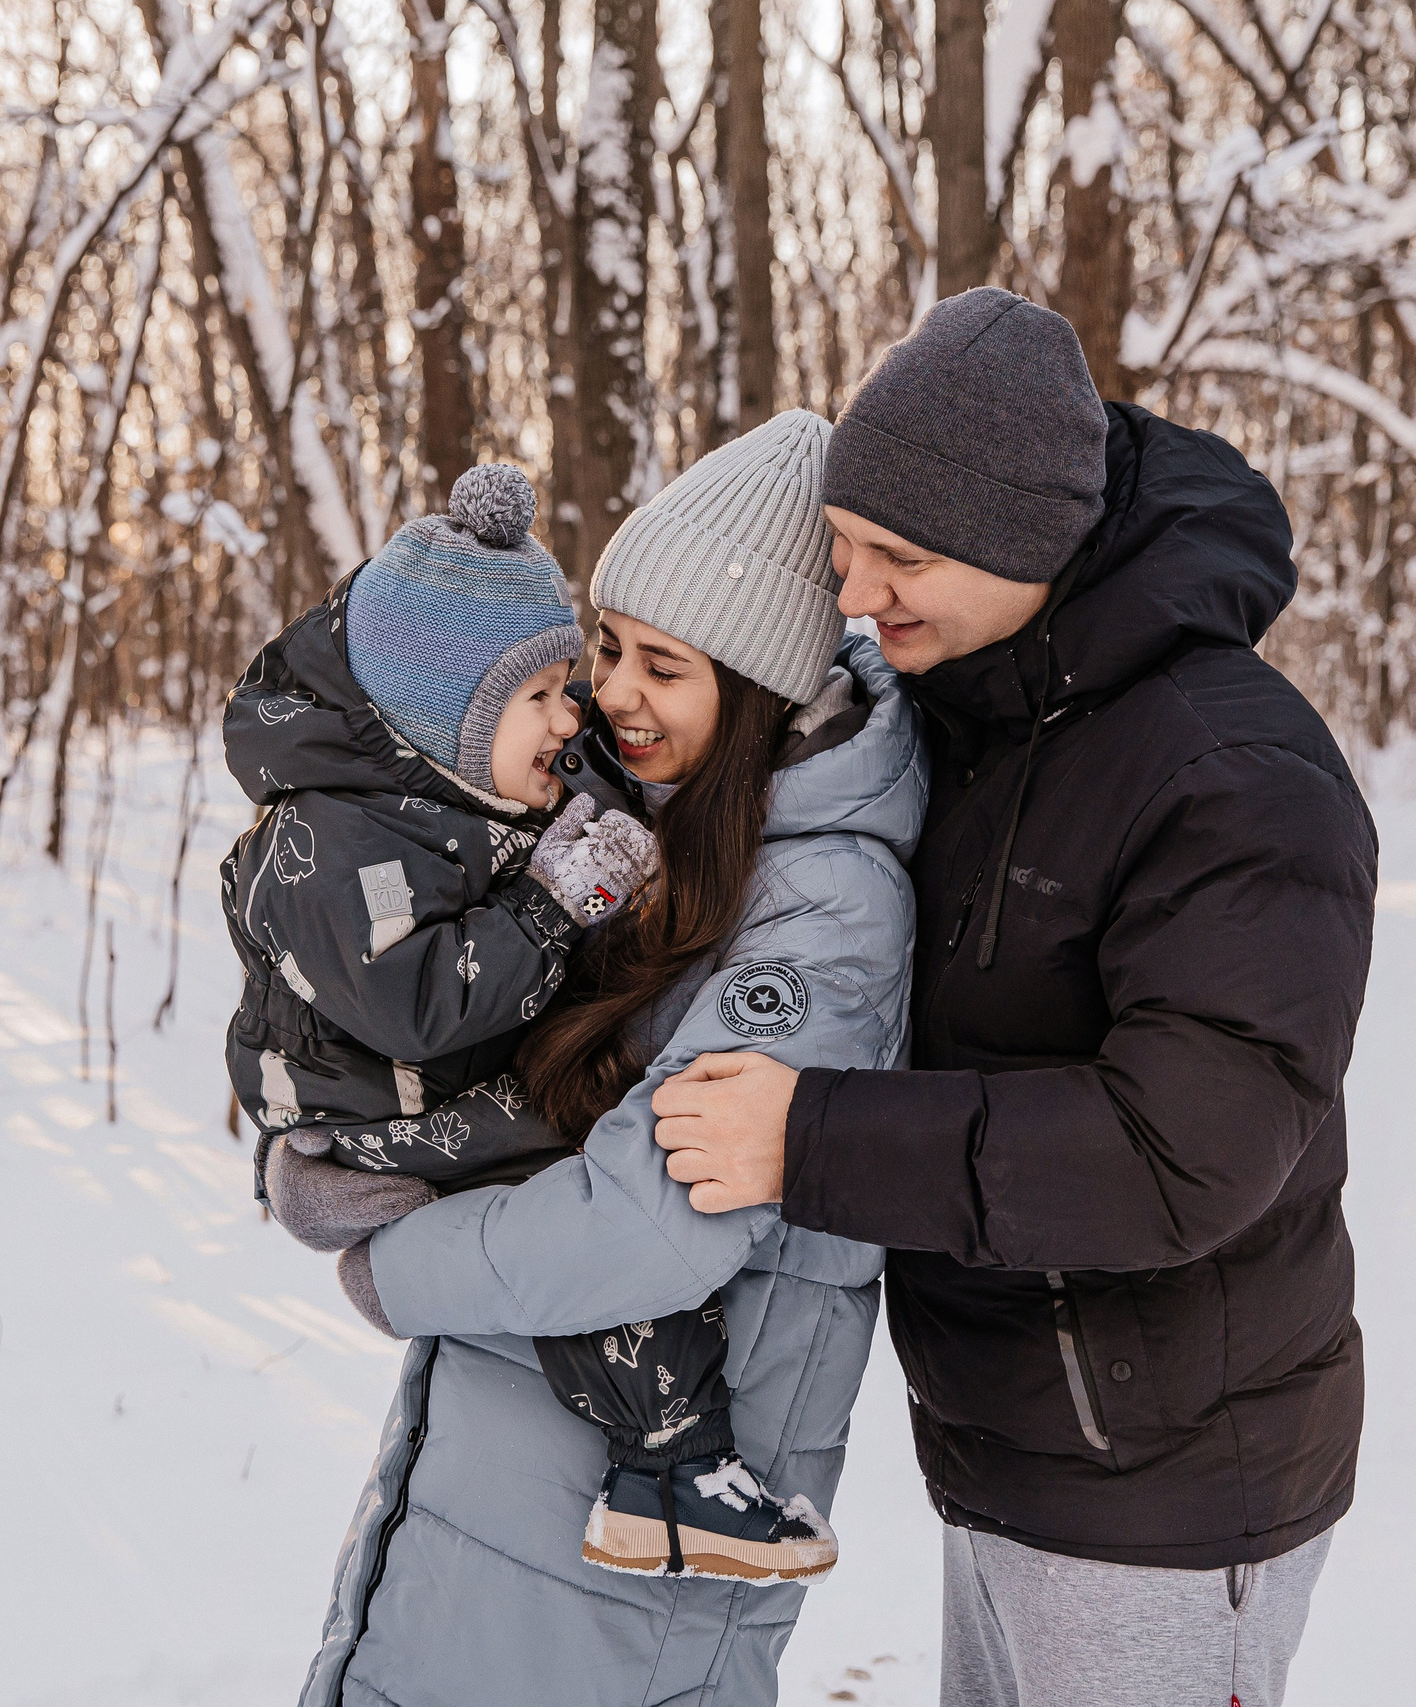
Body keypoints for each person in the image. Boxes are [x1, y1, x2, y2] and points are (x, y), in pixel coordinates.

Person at [651, 289, 1379, 1707]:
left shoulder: (1234, 776)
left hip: (1169, 1490)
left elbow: (1184, 1151)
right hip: (1010, 1446)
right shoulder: (971, 710)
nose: (855, 594)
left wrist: (809, 1139)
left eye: (901, 556)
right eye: (843, 547)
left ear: (1027, 538)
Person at [268, 409, 927, 1707]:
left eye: (662, 666)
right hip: (515, 1478)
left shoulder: (824, 910)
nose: (611, 693)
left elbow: (651, 1223)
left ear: (761, 687)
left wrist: (395, 1261)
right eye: (607, 648)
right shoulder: (634, 833)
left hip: (633, 1552)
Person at [222, 462, 829, 1589]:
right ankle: (672, 1459)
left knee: (576, 1180)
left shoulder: (461, 794)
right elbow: (414, 1007)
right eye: (550, 690)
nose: (580, 711)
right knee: (570, 1193)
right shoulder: (334, 843)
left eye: (570, 682)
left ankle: (671, 1468)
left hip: (449, 1089)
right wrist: (553, 903)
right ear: (444, 721)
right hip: (394, 1110)